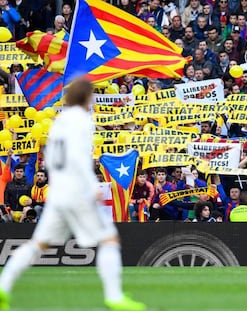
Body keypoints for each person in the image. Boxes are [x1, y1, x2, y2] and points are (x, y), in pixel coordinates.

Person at [0, 79, 146, 311]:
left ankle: (3, 286)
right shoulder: (81, 121)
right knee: (109, 240)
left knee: (37, 244)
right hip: (76, 192)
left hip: (58, 193)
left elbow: (54, 160)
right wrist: (91, 187)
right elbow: (78, 159)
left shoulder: (59, 124)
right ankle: (114, 296)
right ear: (86, 97)